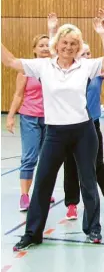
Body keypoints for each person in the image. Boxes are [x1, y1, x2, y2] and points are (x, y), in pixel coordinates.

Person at [2, 10, 104, 251]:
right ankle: (32, 233)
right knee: (43, 182)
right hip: (55, 133)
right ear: (58, 44)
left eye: (73, 43)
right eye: (65, 42)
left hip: (83, 132)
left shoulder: (86, 66)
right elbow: (10, 62)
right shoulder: (43, 66)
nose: (68, 47)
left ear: (78, 47)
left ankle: (93, 229)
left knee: (88, 181)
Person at [63, 17, 104, 220]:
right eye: (84, 53)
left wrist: (102, 33)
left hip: (92, 124)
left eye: (90, 53)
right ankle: (72, 204)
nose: (88, 56)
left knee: (97, 163)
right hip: (70, 124)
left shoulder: (97, 73)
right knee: (71, 166)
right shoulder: (69, 73)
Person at [6, 34, 53, 211]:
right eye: (41, 45)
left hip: (50, 119)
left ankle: (42, 192)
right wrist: (10, 116)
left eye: (48, 45)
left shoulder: (54, 68)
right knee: (29, 157)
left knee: (47, 159)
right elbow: (19, 94)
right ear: (34, 49)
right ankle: (24, 196)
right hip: (30, 118)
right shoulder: (26, 69)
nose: (45, 48)